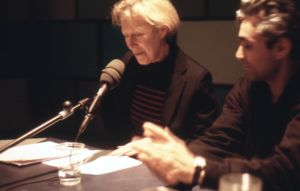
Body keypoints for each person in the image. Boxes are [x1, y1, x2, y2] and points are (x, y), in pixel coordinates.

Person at [130, 0, 300, 190]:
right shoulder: (248, 87)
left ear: (281, 48)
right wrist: (177, 157)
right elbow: (219, 140)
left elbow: (284, 172)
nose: (238, 54)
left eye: (248, 45)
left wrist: (197, 170)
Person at [100, 0, 218, 146]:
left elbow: (206, 143)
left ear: (162, 31)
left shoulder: (196, 79)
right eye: (126, 35)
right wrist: (130, 142)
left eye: (138, 34)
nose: (130, 44)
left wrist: (160, 148)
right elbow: (114, 118)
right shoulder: (128, 62)